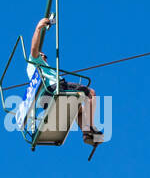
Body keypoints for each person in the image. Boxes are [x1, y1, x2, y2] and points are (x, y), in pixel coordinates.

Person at [27, 15, 105, 146]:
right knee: (91, 93)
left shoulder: (38, 70)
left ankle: (86, 133)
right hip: (54, 88)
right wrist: (38, 28)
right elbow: (34, 50)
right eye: (43, 55)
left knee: (78, 110)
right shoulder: (34, 61)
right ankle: (91, 127)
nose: (45, 57)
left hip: (45, 98)